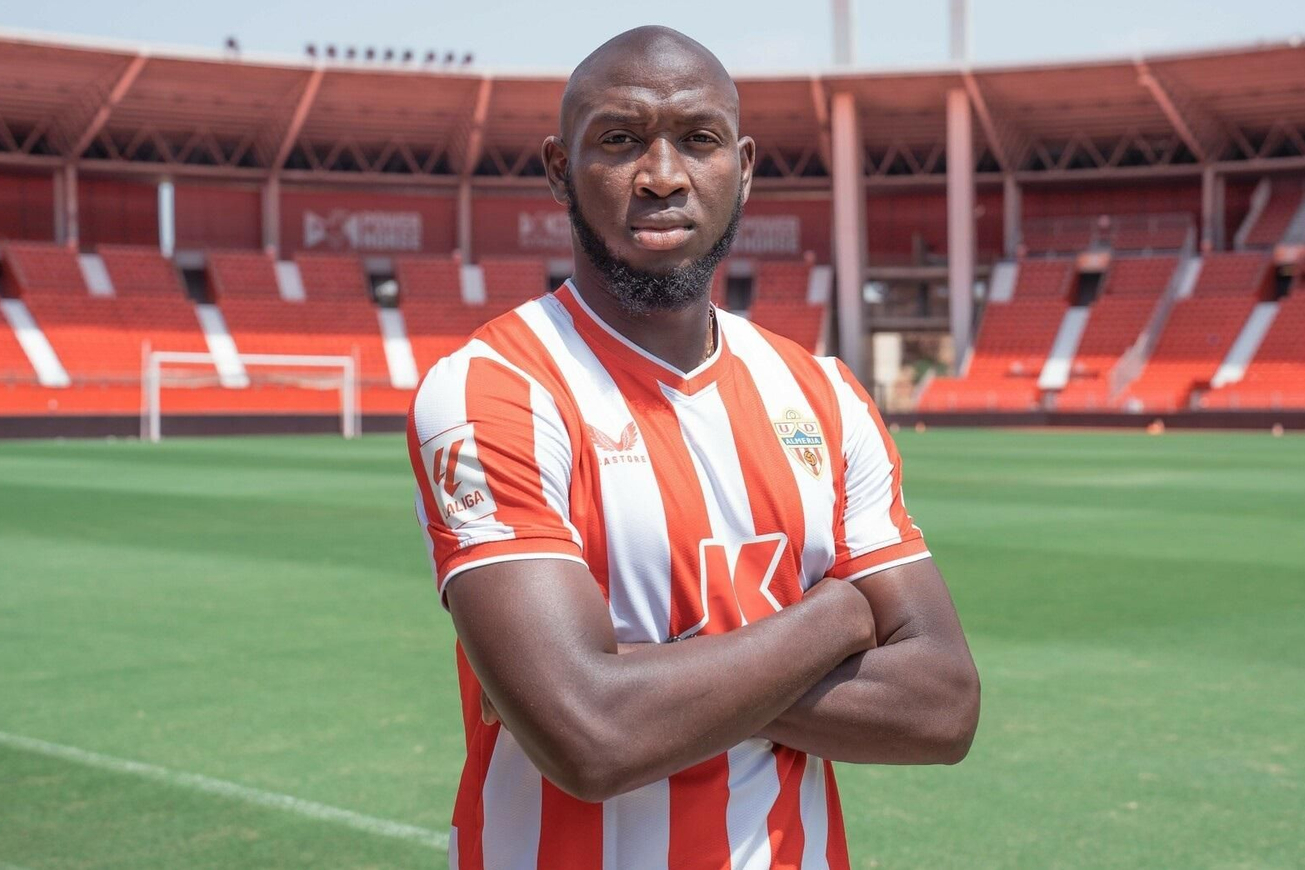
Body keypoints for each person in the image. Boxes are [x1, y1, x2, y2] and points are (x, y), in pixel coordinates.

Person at [407, 25, 979, 868]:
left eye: (698, 140)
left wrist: (649, 681)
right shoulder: (494, 390)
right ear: (560, 168)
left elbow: (944, 706)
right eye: (620, 140)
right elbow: (590, 737)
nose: (663, 176)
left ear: (742, 167)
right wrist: (841, 613)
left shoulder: (822, 395)